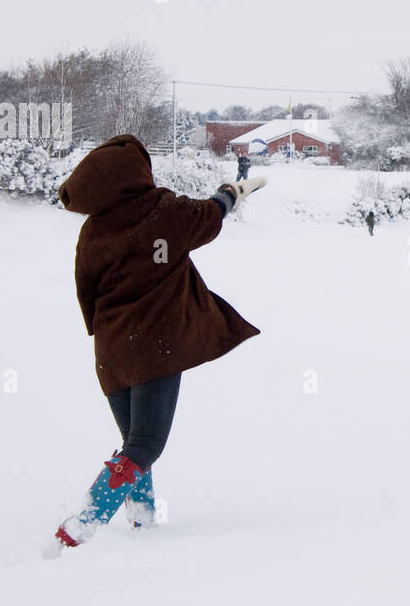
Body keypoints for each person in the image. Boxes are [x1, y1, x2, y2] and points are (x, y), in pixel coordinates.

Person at [50, 134, 267, 552]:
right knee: (145, 445)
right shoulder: (165, 212)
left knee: (134, 443)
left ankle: (142, 520)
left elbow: (86, 294)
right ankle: (79, 528)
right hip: (155, 349)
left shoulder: (92, 232)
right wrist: (232, 191)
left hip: (113, 353)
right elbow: (211, 214)